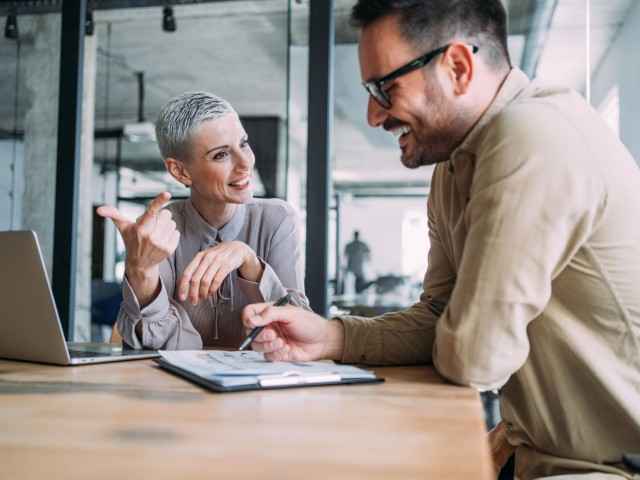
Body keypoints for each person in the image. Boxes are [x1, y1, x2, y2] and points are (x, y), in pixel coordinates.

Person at [241, 1, 640, 479]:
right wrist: (333, 336)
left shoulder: (532, 135)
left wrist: (460, 338)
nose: (373, 114)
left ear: (458, 66)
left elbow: (474, 357)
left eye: (385, 87)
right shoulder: (453, 170)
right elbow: (440, 318)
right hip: (540, 455)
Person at [98, 91, 308, 350]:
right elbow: (162, 345)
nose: (245, 164)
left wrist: (250, 263)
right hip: (176, 386)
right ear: (181, 171)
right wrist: (141, 274)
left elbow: (302, 330)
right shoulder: (161, 230)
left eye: (243, 144)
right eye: (221, 155)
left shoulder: (277, 219)